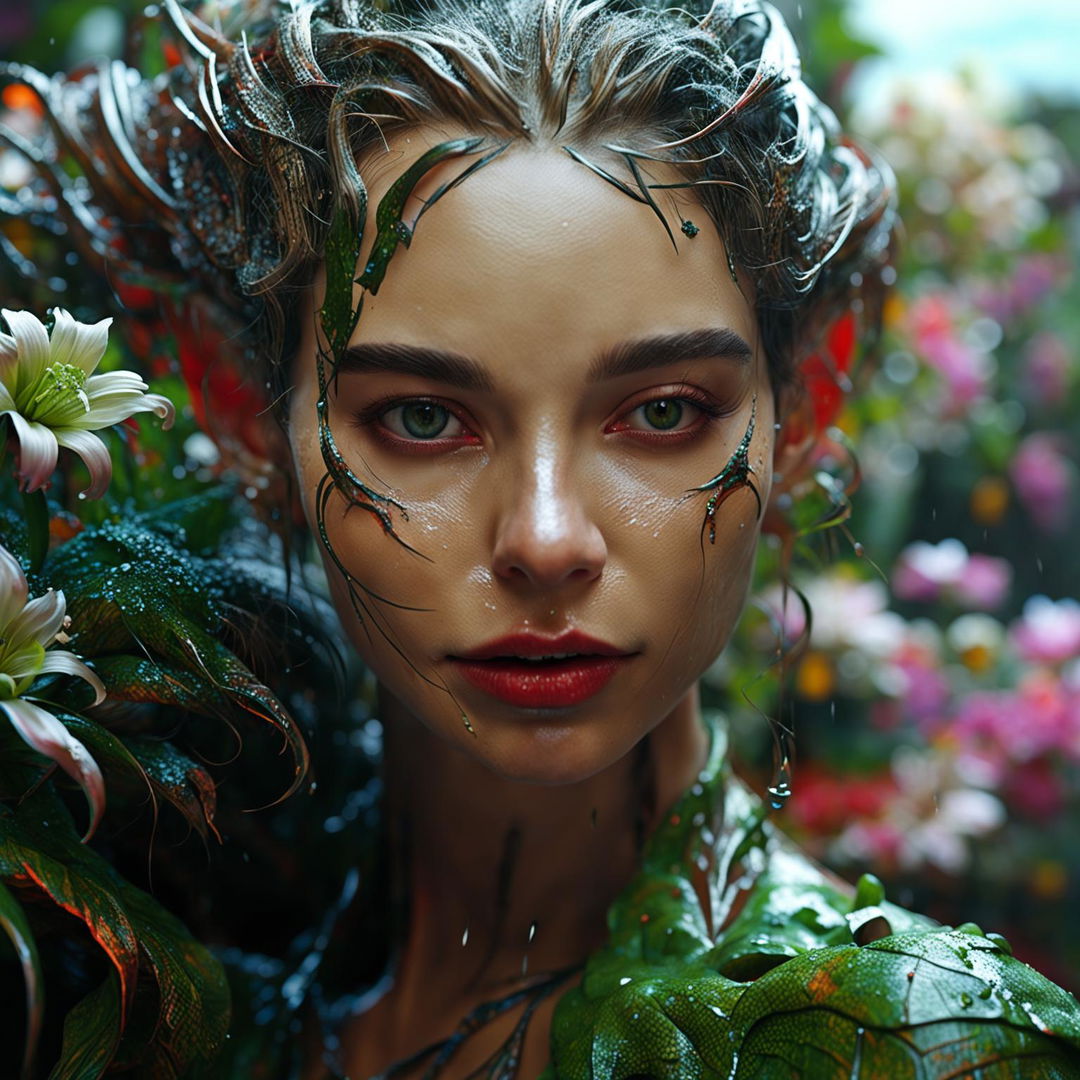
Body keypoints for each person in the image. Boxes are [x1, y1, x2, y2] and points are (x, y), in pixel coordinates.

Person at [2, 0, 1079, 1076]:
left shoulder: (918, 1044)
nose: (548, 540)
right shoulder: (165, 957)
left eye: (663, 412)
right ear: (243, 407)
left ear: (810, 391)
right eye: (422, 419)